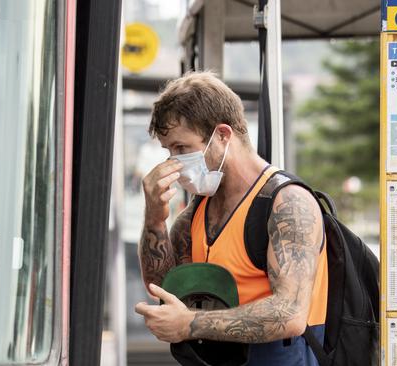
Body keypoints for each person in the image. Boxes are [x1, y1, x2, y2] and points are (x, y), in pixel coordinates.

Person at [135, 72, 329, 365]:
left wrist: (190, 324)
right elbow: (164, 291)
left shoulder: (287, 204)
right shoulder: (196, 213)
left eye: (182, 148)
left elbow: (290, 314)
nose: (173, 162)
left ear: (223, 136)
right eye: (168, 150)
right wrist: (154, 220)